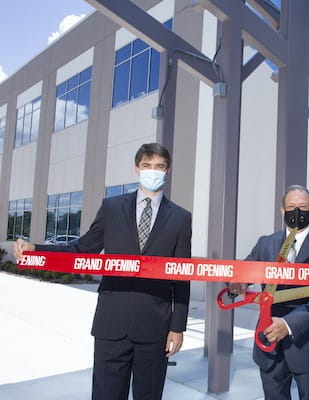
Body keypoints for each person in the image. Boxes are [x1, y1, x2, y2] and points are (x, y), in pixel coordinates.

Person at [14, 143, 192, 400]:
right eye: (147, 166)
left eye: (159, 167)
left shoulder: (180, 218)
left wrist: (178, 327)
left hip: (155, 328)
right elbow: (81, 248)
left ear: (167, 171)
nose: (152, 171)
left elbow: (181, 274)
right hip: (112, 325)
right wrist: (36, 249)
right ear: (136, 169)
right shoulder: (111, 208)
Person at [229, 185, 309, 400]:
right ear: (282, 211)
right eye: (291, 206)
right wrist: (237, 284)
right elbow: (244, 271)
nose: (296, 211)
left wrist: (287, 325)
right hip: (269, 344)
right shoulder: (265, 243)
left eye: (302, 207)